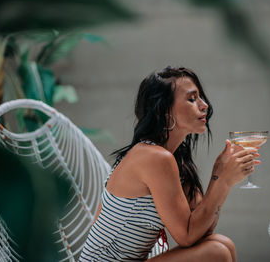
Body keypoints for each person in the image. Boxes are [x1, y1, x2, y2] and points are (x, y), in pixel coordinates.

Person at [79, 66, 260, 262]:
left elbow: (204, 229)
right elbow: (187, 236)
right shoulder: (153, 157)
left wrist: (218, 173)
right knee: (217, 251)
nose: (204, 105)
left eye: (200, 97)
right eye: (192, 99)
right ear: (164, 112)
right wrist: (223, 182)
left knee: (222, 245)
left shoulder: (173, 159)